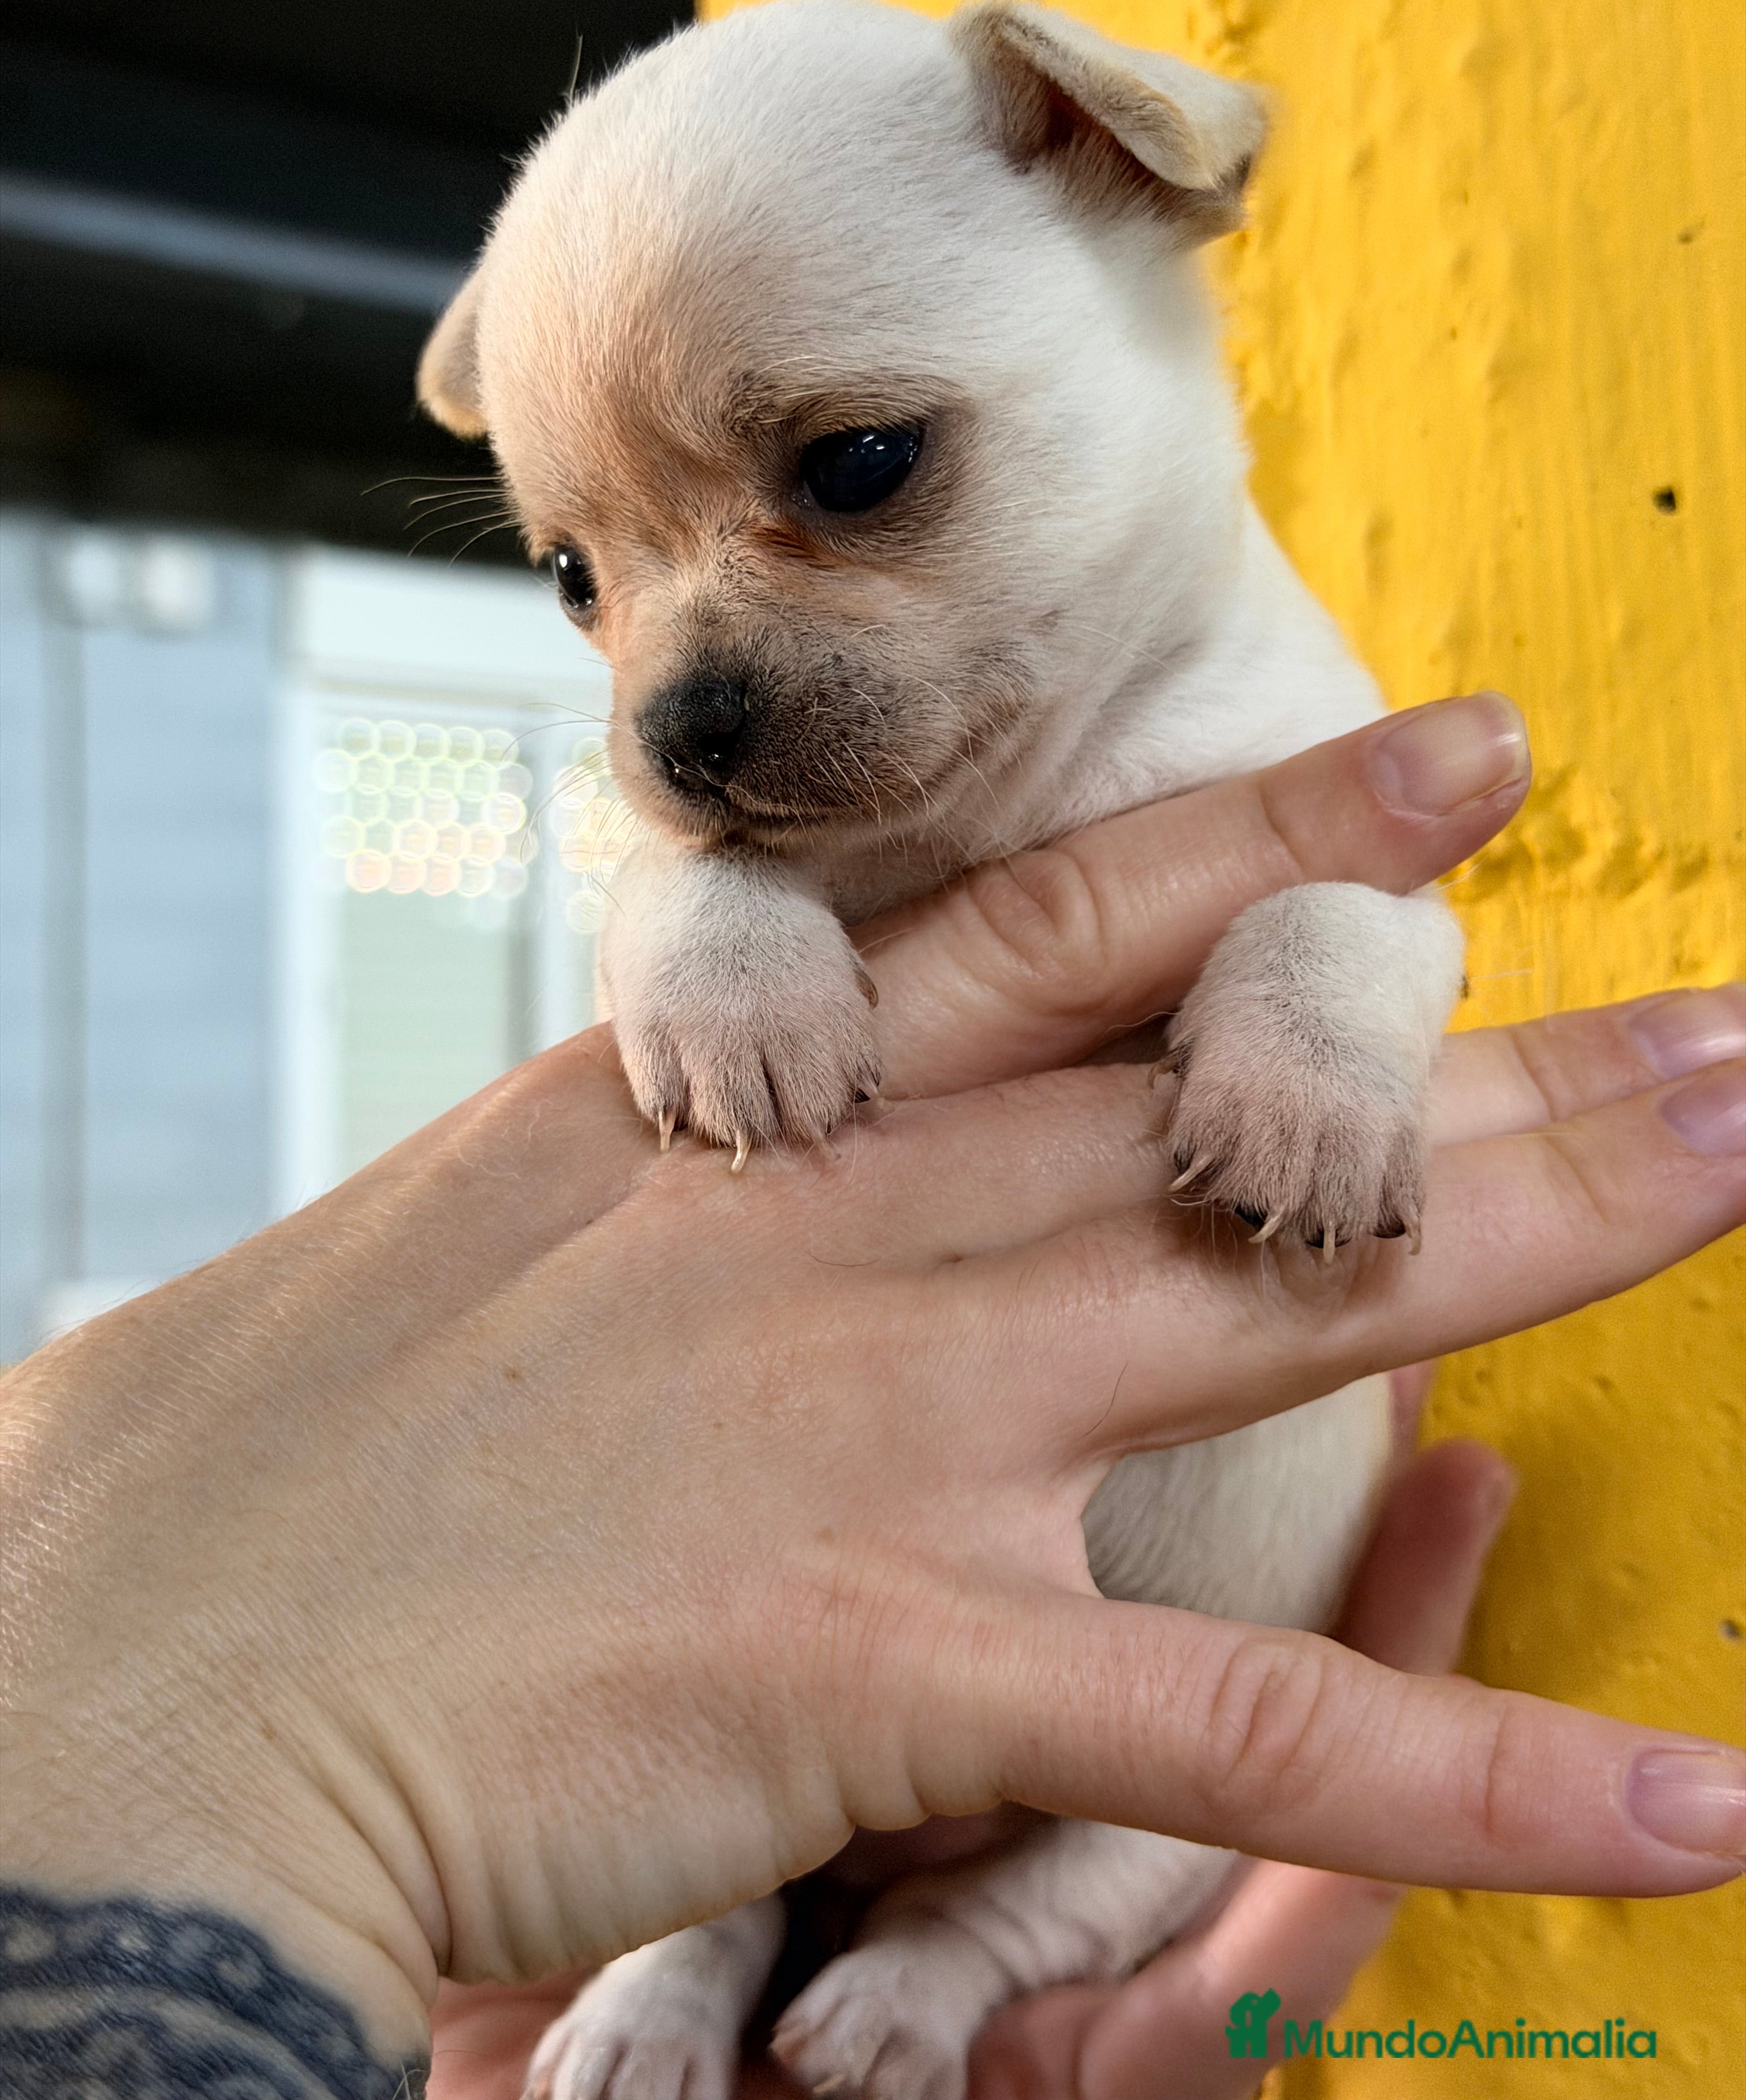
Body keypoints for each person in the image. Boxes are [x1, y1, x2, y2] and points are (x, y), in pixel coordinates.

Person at [1, 696, 1741, 2100]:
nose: (670, 696)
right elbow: (683, 915)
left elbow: (1369, 930)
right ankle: (710, 1947)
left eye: (864, 472)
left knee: (1212, 1780)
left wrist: (976, 1959)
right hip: (756, 1777)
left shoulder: (1248, 703)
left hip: (1117, 1784)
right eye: (581, 578)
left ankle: (940, 1949)